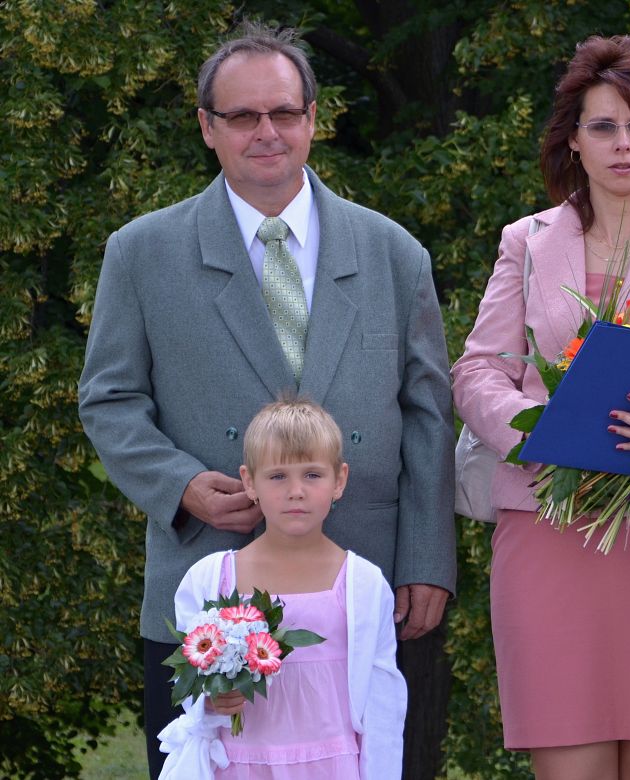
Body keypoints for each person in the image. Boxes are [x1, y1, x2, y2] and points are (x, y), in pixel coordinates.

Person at [77, 22, 455, 778]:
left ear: (313, 118)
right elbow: (109, 400)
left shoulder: (393, 252)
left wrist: (426, 558)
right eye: (243, 116)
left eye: (284, 112)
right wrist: (181, 485)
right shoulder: (142, 252)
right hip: (212, 589)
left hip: (368, 588)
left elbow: (429, 418)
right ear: (206, 126)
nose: (267, 132)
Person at [451, 34, 630, 780]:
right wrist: (532, 432)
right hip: (548, 520)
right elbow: (479, 369)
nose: (623, 143)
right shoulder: (525, 241)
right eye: (604, 126)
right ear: (574, 141)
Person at [160, 397, 406, 779]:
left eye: (312, 475)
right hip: (240, 766)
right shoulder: (211, 578)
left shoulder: (363, 584)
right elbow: (189, 685)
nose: (296, 491)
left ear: (339, 480)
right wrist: (212, 701)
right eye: (277, 476)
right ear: (249, 482)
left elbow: (383, 703)